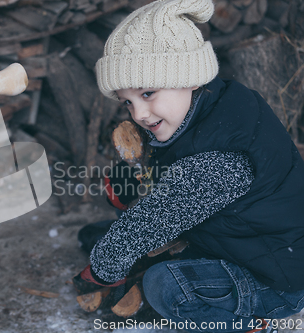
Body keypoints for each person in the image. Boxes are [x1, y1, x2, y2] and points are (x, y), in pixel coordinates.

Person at [74, 0, 304, 331]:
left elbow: (152, 219)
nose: (138, 114)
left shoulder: (221, 158)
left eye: (148, 93)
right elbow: (164, 181)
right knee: (96, 236)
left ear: (189, 77)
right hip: (241, 245)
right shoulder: (203, 112)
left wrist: (100, 270)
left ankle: (250, 325)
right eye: (128, 102)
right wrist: (127, 186)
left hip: (276, 280)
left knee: (164, 286)